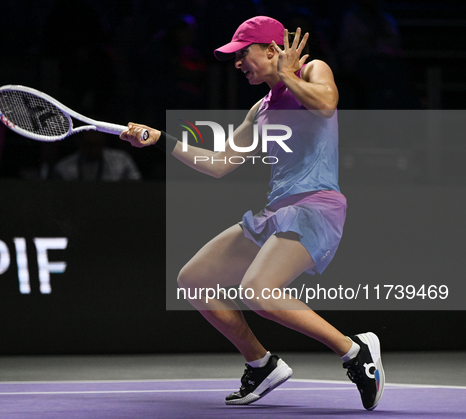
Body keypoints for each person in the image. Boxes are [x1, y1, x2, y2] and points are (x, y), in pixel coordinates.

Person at [121, 16, 384, 411]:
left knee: (257, 291)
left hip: (315, 207)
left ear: (272, 50)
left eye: (243, 54)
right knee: (193, 280)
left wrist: (286, 76)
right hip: (276, 212)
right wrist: (160, 139)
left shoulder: (313, 69)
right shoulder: (259, 110)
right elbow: (218, 163)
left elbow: (327, 104)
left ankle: (354, 351)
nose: (238, 63)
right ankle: (261, 364)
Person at [54, 130, 141, 181]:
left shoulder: (122, 161)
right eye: (88, 145)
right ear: (79, 142)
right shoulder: (63, 168)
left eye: (97, 145)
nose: (93, 150)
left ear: (103, 142)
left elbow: (136, 187)